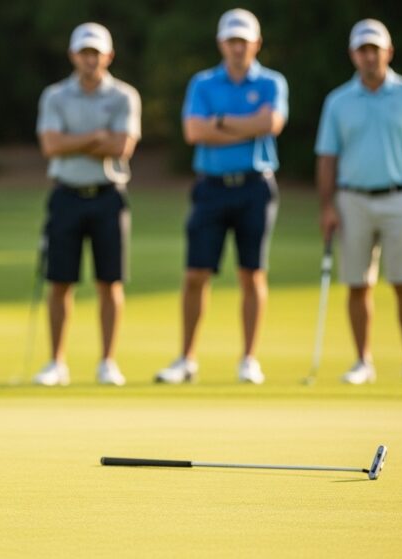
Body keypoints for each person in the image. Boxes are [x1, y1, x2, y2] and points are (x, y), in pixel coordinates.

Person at [155, 8, 288, 385]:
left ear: (256, 44)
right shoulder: (202, 83)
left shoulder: (272, 83)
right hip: (211, 186)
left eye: (243, 41)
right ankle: (186, 359)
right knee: (196, 273)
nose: (237, 48)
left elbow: (271, 124)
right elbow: (194, 132)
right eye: (231, 41)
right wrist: (246, 126)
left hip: (255, 187)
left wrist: (220, 122)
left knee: (252, 274)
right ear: (221, 44)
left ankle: (248, 359)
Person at [315, 19, 402, 385]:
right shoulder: (338, 101)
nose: (369, 56)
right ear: (354, 54)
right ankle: (362, 362)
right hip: (351, 199)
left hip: (401, 197)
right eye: (362, 50)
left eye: (375, 49)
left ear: (388, 52)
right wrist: (327, 206)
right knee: (357, 284)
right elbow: (326, 157)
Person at [32, 22, 140, 387]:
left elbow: (122, 147)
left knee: (110, 282)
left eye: (96, 52)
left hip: (109, 195)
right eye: (84, 52)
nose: (90, 58)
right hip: (66, 195)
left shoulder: (124, 95)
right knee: (60, 281)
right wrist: (98, 136)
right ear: (73, 55)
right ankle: (56, 363)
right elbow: (51, 146)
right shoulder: (55, 96)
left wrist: (73, 140)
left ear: (108, 56)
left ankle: (108, 361)